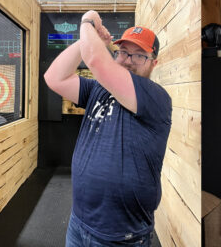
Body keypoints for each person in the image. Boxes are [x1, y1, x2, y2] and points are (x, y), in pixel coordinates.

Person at [43, 14, 172, 246]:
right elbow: (54, 77)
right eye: (122, 52)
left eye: (139, 55)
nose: (127, 60)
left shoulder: (156, 97)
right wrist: (91, 42)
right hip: (79, 223)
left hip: (121, 237)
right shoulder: (99, 90)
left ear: (154, 62)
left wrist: (87, 22)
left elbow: (97, 62)